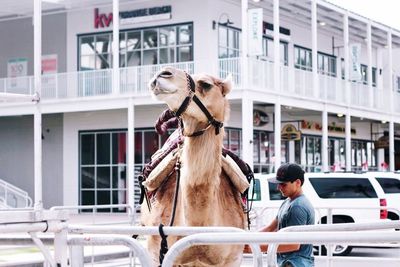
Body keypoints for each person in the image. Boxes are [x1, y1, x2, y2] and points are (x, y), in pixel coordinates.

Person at [244, 163, 315, 267]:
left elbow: (293, 245)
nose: (278, 187)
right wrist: (247, 239)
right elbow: (270, 228)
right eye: (278, 183)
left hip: (295, 263)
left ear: (298, 183)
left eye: (283, 184)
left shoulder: (297, 207)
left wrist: (254, 247)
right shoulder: (288, 202)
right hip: (290, 262)